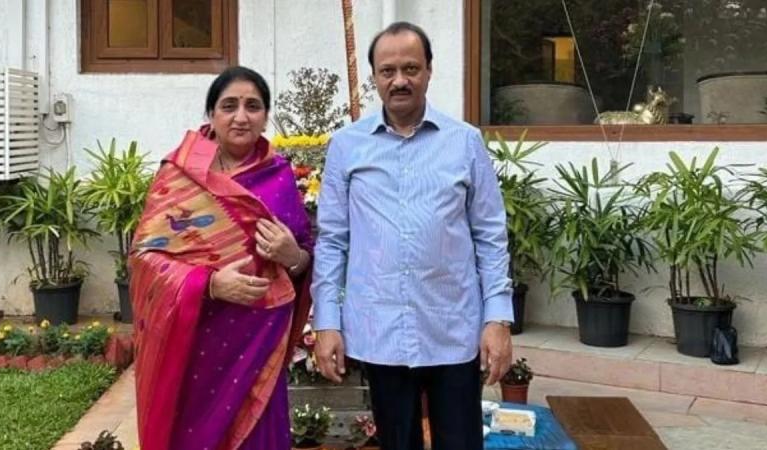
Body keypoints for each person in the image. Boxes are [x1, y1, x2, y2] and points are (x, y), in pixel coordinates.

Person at [312, 22, 514, 450]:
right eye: (388, 71)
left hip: (453, 329)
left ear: (429, 71)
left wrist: (497, 319)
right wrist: (327, 322)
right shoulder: (347, 146)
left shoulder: (465, 142)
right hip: (381, 332)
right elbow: (331, 241)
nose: (399, 81)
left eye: (411, 68)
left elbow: (490, 236)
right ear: (374, 77)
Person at [129, 66, 313, 450]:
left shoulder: (279, 175)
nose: (241, 117)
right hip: (197, 344)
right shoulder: (180, 176)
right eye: (229, 106)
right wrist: (210, 284)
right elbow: (145, 258)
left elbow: (303, 260)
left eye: (253, 106)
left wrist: (293, 256)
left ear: (265, 116)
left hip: (260, 345)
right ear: (211, 114)